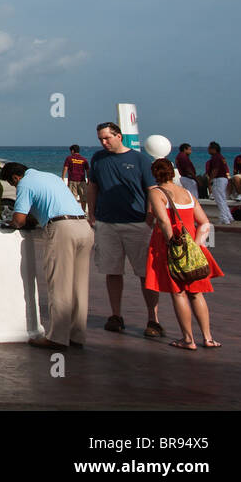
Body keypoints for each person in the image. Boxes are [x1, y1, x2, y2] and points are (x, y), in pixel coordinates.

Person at [1, 162, 92, 350]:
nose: (15, 187)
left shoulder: (25, 183)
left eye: (13, 184)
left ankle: (57, 338)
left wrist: (12, 223)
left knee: (59, 284)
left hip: (62, 229)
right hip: (83, 226)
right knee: (79, 285)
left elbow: (19, 219)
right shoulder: (50, 176)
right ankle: (77, 335)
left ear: (15, 178)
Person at [88, 121, 162, 337]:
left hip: (137, 223)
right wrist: (91, 211)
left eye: (107, 138)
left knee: (145, 273)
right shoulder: (98, 158)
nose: (104, 142)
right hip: (107, 223)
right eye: (101, 139)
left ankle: (153, 318)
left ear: (118, 136)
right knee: (112, 271)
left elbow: (152, 189)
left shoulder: (139, 159)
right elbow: (93, 186)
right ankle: (116, 315)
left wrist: (149, 216)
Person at [143, 158, 223, 350]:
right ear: (173, 173)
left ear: (155, 174)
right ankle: (208, 337)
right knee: (196, 293)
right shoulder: (187, 193)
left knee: (178, 293)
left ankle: (188, 339)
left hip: (170, 247)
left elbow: (162, 220)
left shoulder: (156, 192)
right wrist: (195, 245)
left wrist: (172, 244)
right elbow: (204, 223)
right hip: (193, 249)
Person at [204, 141, 233, 226]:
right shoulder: (220, 157)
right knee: (222, 199)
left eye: (209, 148)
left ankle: (225, 218)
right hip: (223, 179)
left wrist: (210, 179)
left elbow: (215, 170)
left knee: (219, 200)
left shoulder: (215, 157)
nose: (208, 150)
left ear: (214, 149)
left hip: (218, 179)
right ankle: (228, 216)